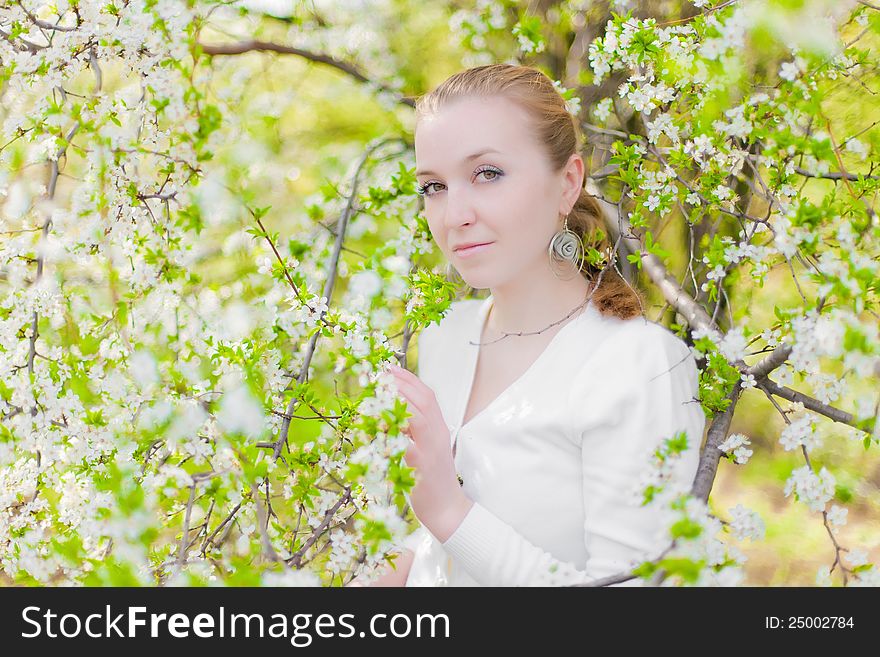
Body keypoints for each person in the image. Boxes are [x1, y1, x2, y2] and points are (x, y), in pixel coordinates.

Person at [347, 63, 706, 587]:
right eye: (433, 186)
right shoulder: (446, 336)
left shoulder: (639, 366)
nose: (454, 215)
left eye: (487, 174)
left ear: (567, 184)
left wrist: (449, 512)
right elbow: (442, 550)